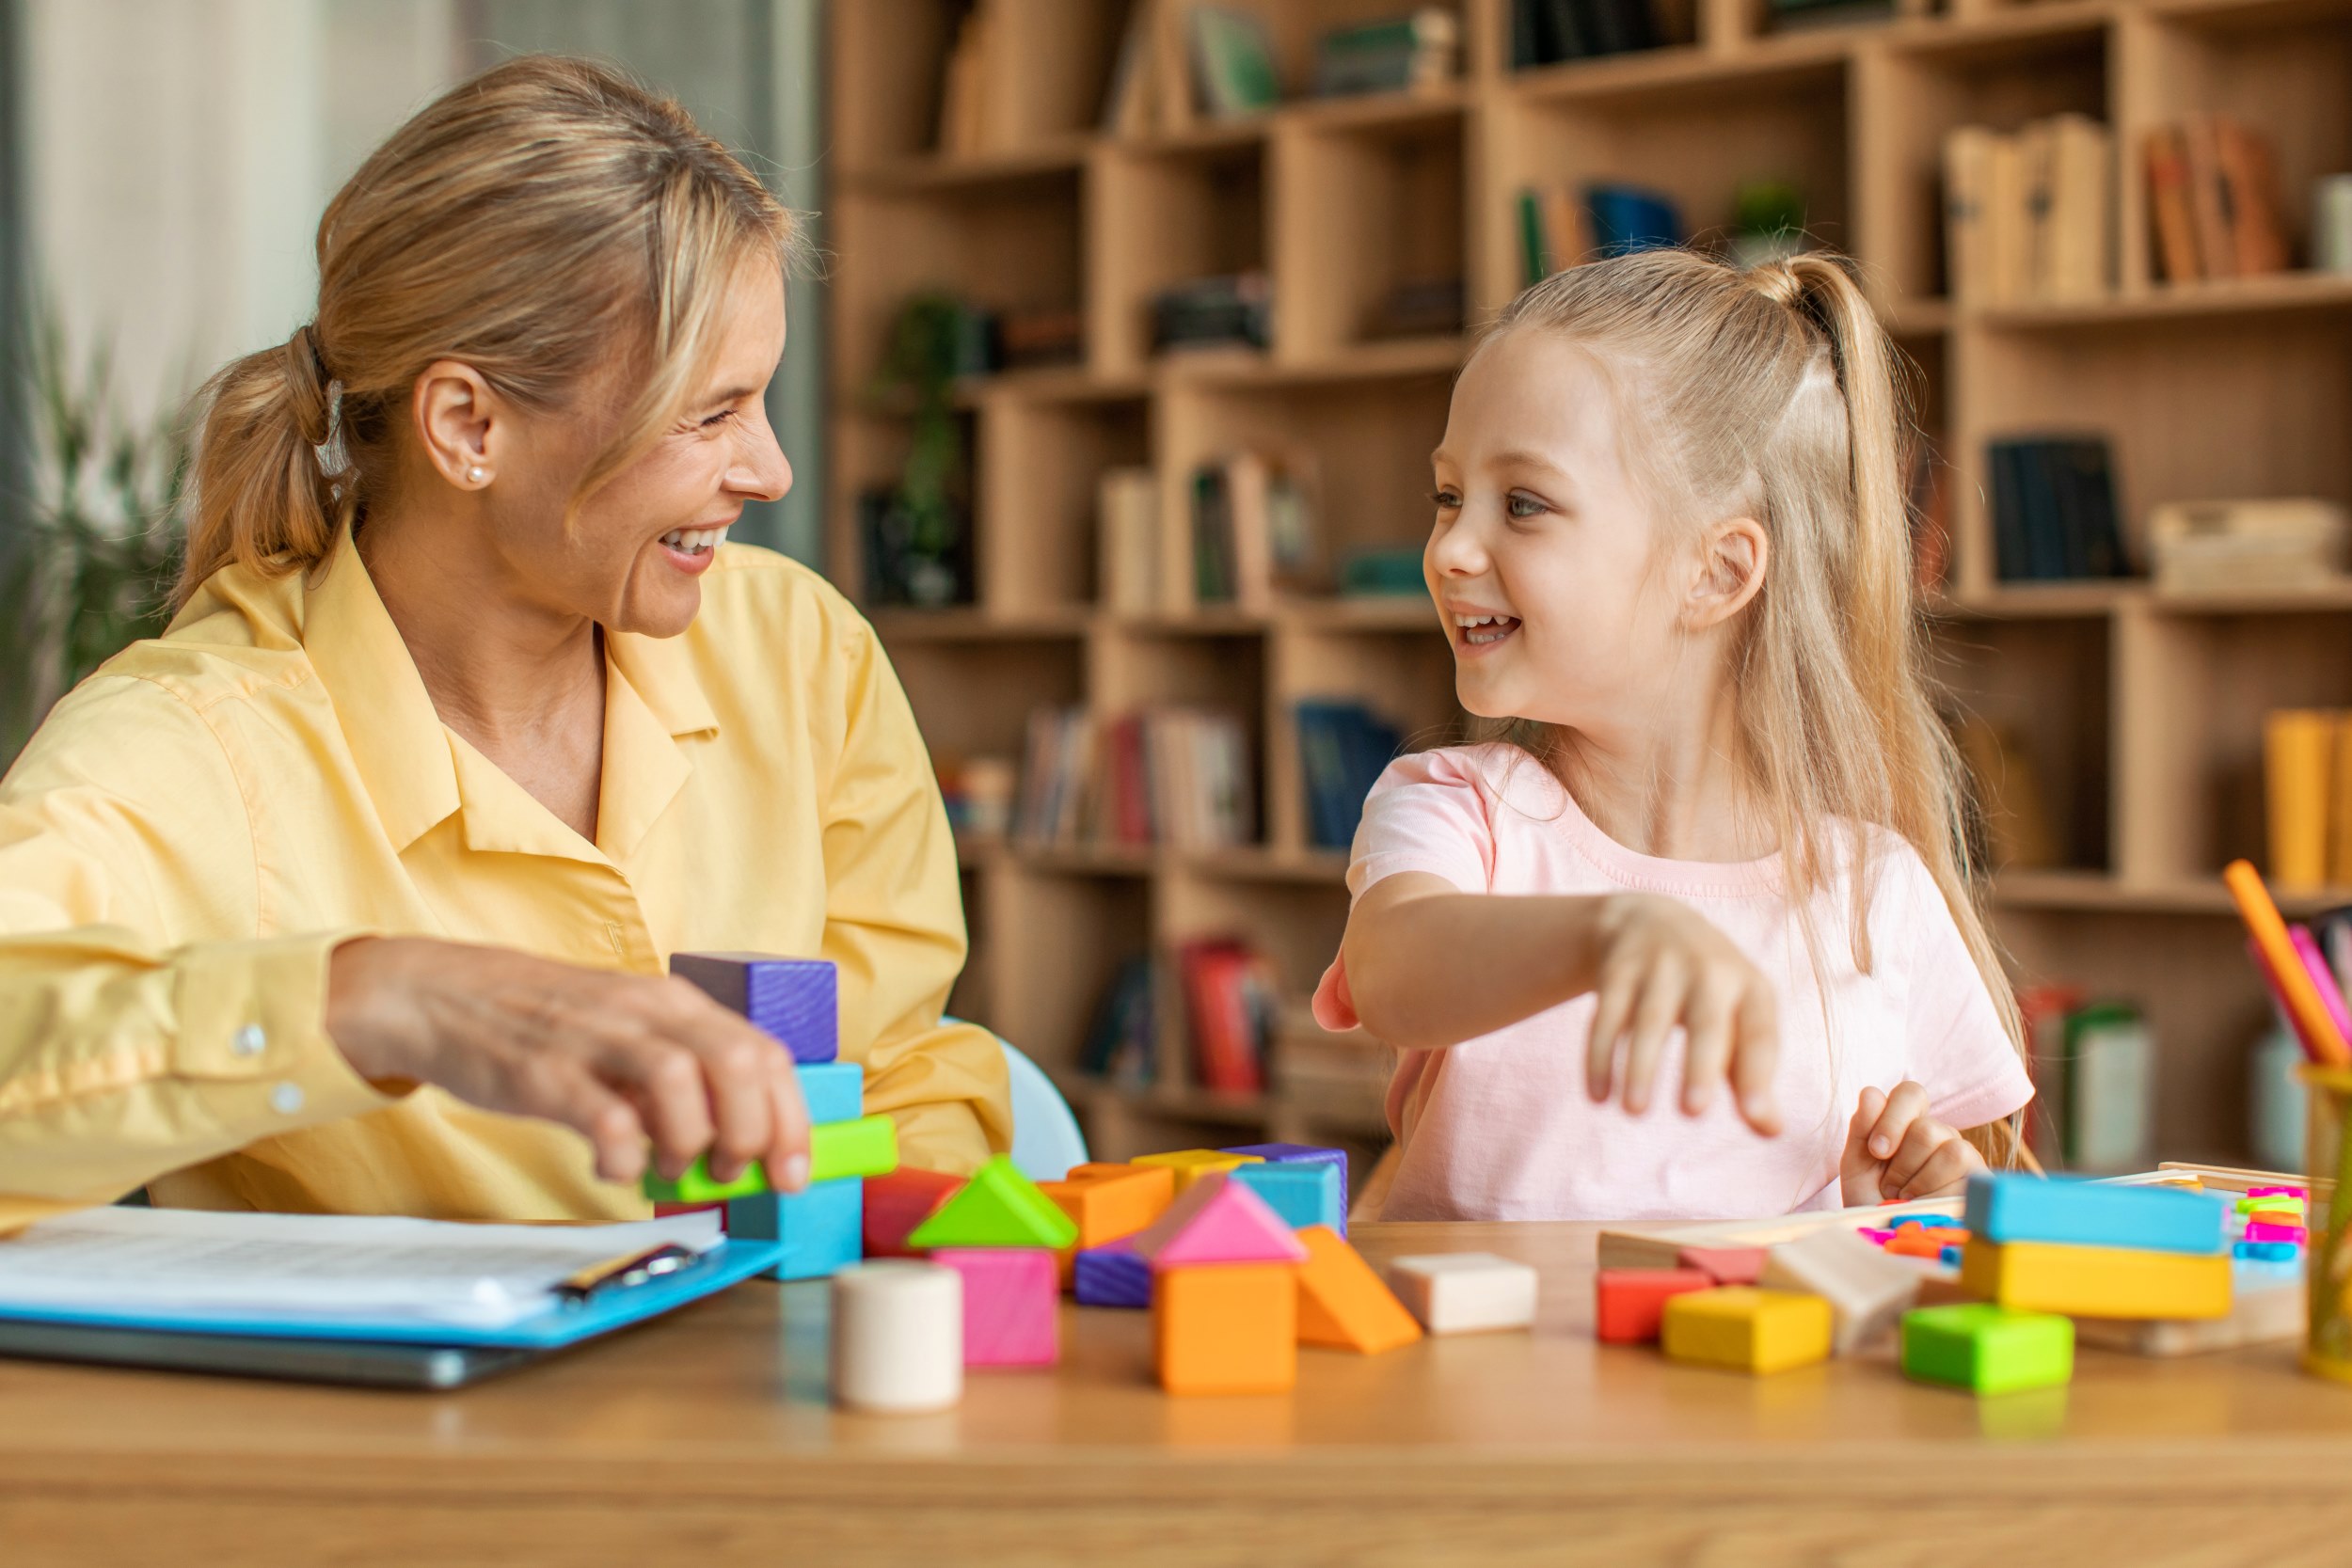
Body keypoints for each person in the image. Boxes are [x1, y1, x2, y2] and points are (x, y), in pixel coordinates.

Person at [0, 56, 1009, 1233]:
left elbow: (899, 1069)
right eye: (710, 412)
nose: (770, 470)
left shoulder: (799, 654)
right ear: (469, 424)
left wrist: (952, 1275)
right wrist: (376, 998)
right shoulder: (202, 740)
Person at [1318, 249, 2032, 1223]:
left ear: (1715, 573)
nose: (1448, 548)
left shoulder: (1875, 892)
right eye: (1449, 497)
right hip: (1478, 1377)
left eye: (1521, 503)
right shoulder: (1457, 808)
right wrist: (1608, 932)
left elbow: (1976, 1207)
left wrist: (1902, 1205)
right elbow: (1393, 973)